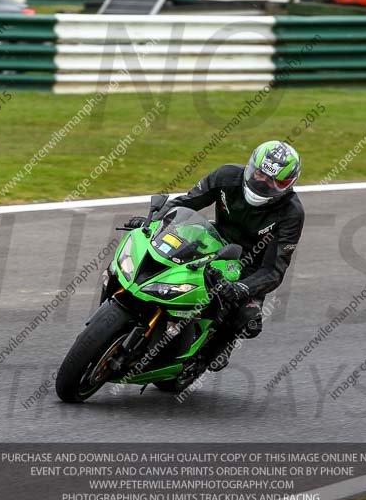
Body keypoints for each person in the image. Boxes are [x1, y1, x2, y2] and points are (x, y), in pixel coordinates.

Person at [128, 141, 305, 372]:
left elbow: (274, 270)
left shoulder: (291, 213)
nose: (264, 182)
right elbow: (186, 203)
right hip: (211, 239)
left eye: (275, 181)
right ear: (251, 167)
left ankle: (205, 356)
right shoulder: (227, 176)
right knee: (158, 254)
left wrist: (242, 288)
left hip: (250, 267)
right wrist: (153, 220)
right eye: (260, 174)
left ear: (288, 185)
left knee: (248, 321)